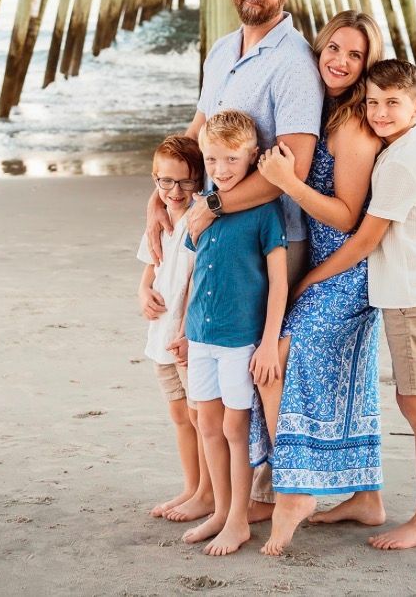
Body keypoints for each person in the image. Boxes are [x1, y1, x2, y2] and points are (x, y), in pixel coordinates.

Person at [145, 0, 323, 521]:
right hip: (210, 229)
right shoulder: (222, 49)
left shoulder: (294, 63)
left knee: (250, 370)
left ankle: (255, 500)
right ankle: (208, 493)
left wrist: (214, 208)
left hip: (267, 239)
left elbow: (289, 165)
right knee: (197, 355)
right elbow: (198, 140)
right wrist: (161, 197)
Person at [289, 60, 416, 551]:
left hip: (415, 297)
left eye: (393, 103)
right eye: (372, 102)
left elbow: (365, 239)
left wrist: (311, 278)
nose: (380, 112)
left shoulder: (401, 164)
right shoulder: (401, 151)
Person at [250, 12, 389, 556]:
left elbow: (348, 217)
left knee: (276, 364)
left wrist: (286, 182)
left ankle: (296, 491)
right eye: (334, 48)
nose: (340, 61)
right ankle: (366, 497)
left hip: (346, 270)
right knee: (329, 379)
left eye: (355, 56)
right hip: (320, 264)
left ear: (366, 64)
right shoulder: (324, 107)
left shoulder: (353, 127)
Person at [179, 110, 289, 556]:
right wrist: (184, 328)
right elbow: (194, 274)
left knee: (234, 427)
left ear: (251, 157)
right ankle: (221, 512)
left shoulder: (264, 211)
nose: (221, 170)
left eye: (231, 159)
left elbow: (278, 282)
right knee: (206, 422)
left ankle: (240, 519)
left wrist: (267, 342)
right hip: (200, 334)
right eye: (211, 160)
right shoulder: (202, 207)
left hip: (240, 339)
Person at [134, 135, 212, 521]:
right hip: (160, 337)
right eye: (166, 181)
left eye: (185, 181)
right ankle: (190, 486)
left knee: (201, 416)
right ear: (155, 180)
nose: (175, 190)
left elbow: (200, 280)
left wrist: (187, 332)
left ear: (199, 181)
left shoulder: (199, 222)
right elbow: (153, 264)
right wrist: (142, 289)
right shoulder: (160, 221)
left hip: (187, 338)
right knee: (180, 416)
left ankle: (206, 492)